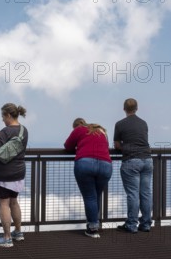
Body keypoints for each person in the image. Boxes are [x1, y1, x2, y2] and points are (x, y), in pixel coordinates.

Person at [0, 103, 28, 248]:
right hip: (18, 172)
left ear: (8, 115)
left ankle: (7, 237)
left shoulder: (5, 131)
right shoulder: (23, 130)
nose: (2, 119)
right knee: (14, 202)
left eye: (3, 116)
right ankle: (18, 232)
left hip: (3, 174)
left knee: (4, 203)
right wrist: (0, 137)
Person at [64, 118, 113, 238]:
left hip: (85, 163)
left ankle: (92, 228)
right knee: (95, 196)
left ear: (77, 125)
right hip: (105, 165)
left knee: (90, 197)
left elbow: (67, 146)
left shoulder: (79, 129)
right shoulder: (100, 131)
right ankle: (94, 224)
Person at [113, 98, 153, 233]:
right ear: (137, 109)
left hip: (131, 161)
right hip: (147, 160)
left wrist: (126, 146)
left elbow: (117, 145)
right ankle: (146, 224)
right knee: (146, 193)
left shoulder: (120, 124)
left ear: (124, 109)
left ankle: (131, 225)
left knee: (133, 194)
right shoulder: (143, 123)